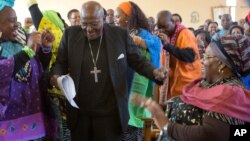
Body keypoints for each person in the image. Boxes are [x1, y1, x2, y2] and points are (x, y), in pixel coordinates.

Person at [49, 1, 165, 141]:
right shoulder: (70, 34)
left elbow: (138, 61)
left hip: (110, 115)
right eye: (84, 24)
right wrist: (55, 76)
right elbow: (61, 62)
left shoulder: (119, 35)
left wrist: (154, 72)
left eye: (94, 24)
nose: (88, 29)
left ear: (103, 20)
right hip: (80, 113)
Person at [131, 34, 250, 141]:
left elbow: (211, 134)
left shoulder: (230, 92)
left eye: (207, 57)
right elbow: (191, 106)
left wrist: (166, 125)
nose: (202, 61)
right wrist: (158, 107)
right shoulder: (207, 84)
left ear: (221, 64)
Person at [0, 1, 55, 140]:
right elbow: (3, 71)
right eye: (11, 21)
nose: (17, 24)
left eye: (17, 20)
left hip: (34, 120)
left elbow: (38, 69)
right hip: (8, 126)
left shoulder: (21, 41)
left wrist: (46, 48)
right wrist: (28, 51)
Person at [114, 1, 161, 140]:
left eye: (118, 16)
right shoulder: (120, 32)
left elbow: (157, 45)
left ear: (128, 16)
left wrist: (140, 42)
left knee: (137, 120)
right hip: (122, 82)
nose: (115, 19)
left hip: (137, 82)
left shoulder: (141, 33)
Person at [27, 0, 71, 140]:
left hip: (51, 85)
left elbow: (33, 9)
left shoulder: (50, 29)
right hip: (67, 87)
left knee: (56, 128)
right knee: (65, 125)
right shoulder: (66, 33)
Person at [156, 10, 202, 100]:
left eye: (165, 27)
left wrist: (167, 45)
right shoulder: (168, 35)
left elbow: (189, 56)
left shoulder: (185, 33)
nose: (162, 30)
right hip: (173, 84)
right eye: (159, 28)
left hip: (187, 84)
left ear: (173, 21)